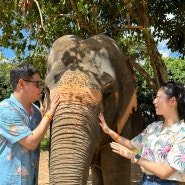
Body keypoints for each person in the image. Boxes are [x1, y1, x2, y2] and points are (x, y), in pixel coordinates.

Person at [99, 81, 185, 185]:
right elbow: (131, 144)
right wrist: (108, 131)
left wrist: (133, 156)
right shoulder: (153, 127)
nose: (154, 101)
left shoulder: (182, 133)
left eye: (158, 97)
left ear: (172, 101)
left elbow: (165, 172)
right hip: (145, 180)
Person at [0, 63, 60, 185]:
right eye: (37, 84)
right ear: (21, 84)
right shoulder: (5, 110)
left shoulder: (36, 112)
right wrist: (48, 114)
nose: (40, 88)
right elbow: (31, 142)